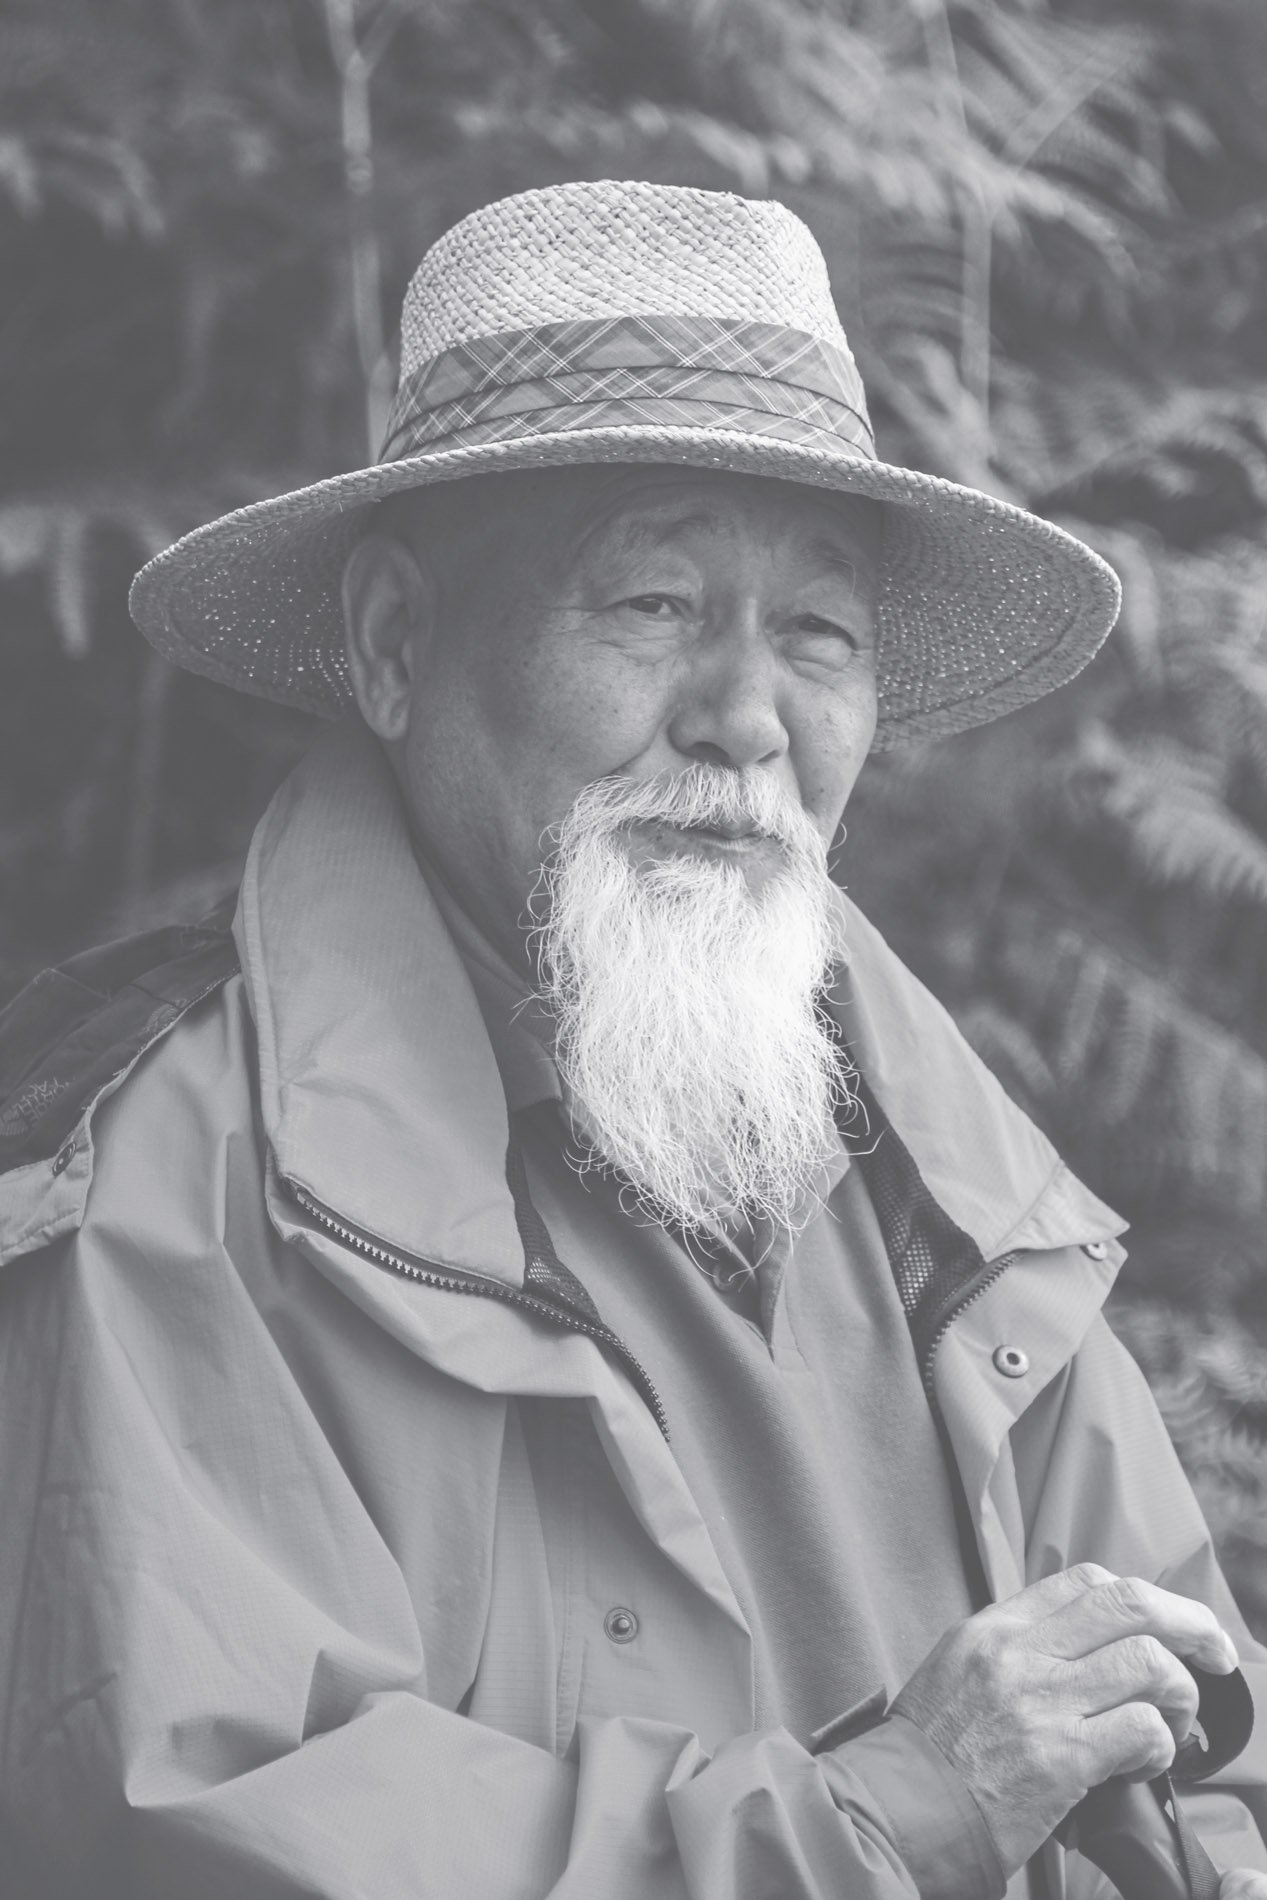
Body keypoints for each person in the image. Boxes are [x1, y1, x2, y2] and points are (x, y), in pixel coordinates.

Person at [0, 179, 1263, 1900]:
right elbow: (196, 1836)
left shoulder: (958, 1201)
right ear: (394, 644)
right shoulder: (176, 1188)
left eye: (817, 634)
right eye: (653, 604)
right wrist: (887, 1818)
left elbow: (1201, 1781)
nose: (747, 722)